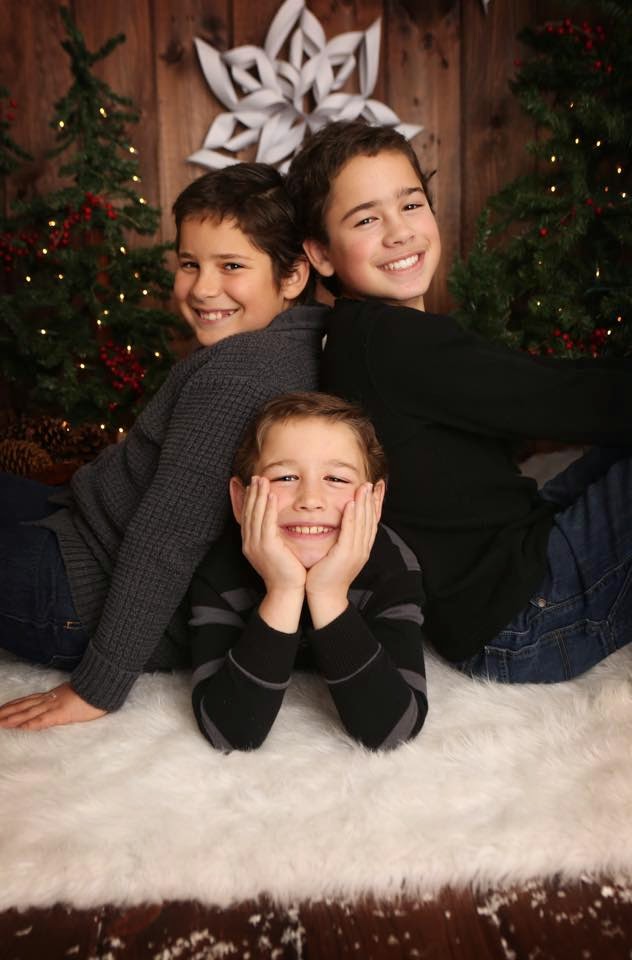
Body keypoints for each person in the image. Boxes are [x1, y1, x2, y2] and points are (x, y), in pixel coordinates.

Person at [285, 119, 632, 684]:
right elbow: (557, 399)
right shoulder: (392, 341)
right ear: (321, 254)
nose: (399, 232)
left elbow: (539, 381)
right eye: (367, 219)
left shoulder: (358, 332)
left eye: (411, 205)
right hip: (526, 617)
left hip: (506, 564)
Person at [0, 163, 327, 730]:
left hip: (77, 592)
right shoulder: (297, 337)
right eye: (190, 264)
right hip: (81, 521)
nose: (202, 288)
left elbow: (168, 539)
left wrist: (98, 687)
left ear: (293, 274)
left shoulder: (240, 376)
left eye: (231, 266)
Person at [188, 391, 428, 751]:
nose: (311, 499)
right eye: (285, 477)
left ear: (375, 500)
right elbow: (230, 733)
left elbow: (394, 730)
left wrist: (328, 594)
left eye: (337, 479)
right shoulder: (221, 569)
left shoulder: (392, 566)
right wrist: (283, 590)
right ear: (241, 500)